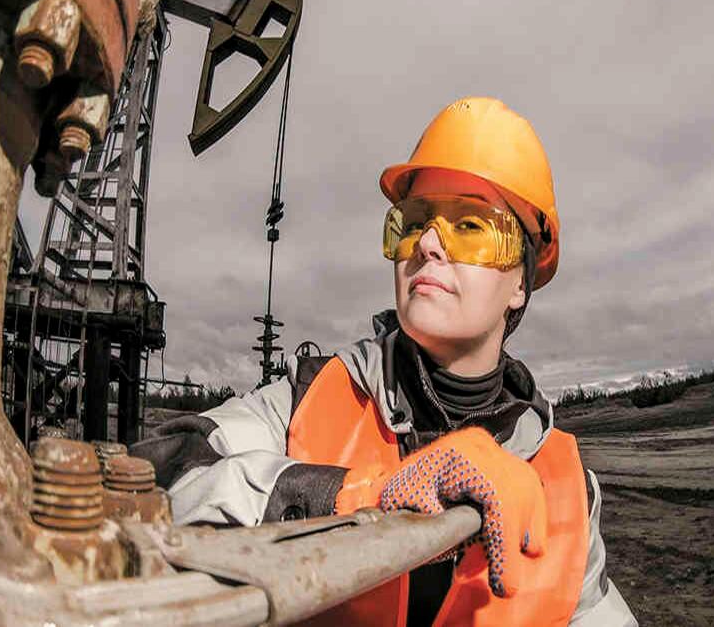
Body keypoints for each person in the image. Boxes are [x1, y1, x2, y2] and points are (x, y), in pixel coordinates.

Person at [132, 96, 637, 626]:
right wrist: (362, 497)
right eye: (414, 222)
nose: (429, 245)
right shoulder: (311, 399)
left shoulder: (569, 488)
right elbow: (161, 471)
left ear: (520, 282)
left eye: (470, 225)